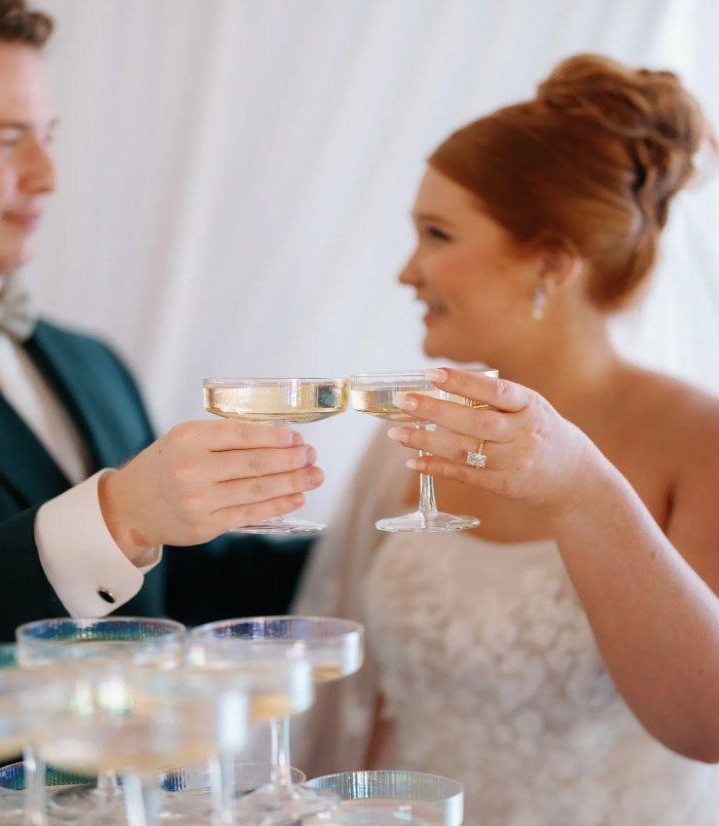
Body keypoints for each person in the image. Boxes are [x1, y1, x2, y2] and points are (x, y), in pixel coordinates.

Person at [0, 1, 323, 821]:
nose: (47, 176)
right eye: (4, 140)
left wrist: (386, 544)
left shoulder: (89, 361)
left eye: (48, 136)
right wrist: (121, 513)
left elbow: (178, 588)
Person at [295, 54, 719, 824]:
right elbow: (362, 707)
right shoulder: (409, 436)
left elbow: (708, 723)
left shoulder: (700, 440)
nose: (407, 272)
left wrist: (582, 489)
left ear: (550, 262)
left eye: (437, 234)